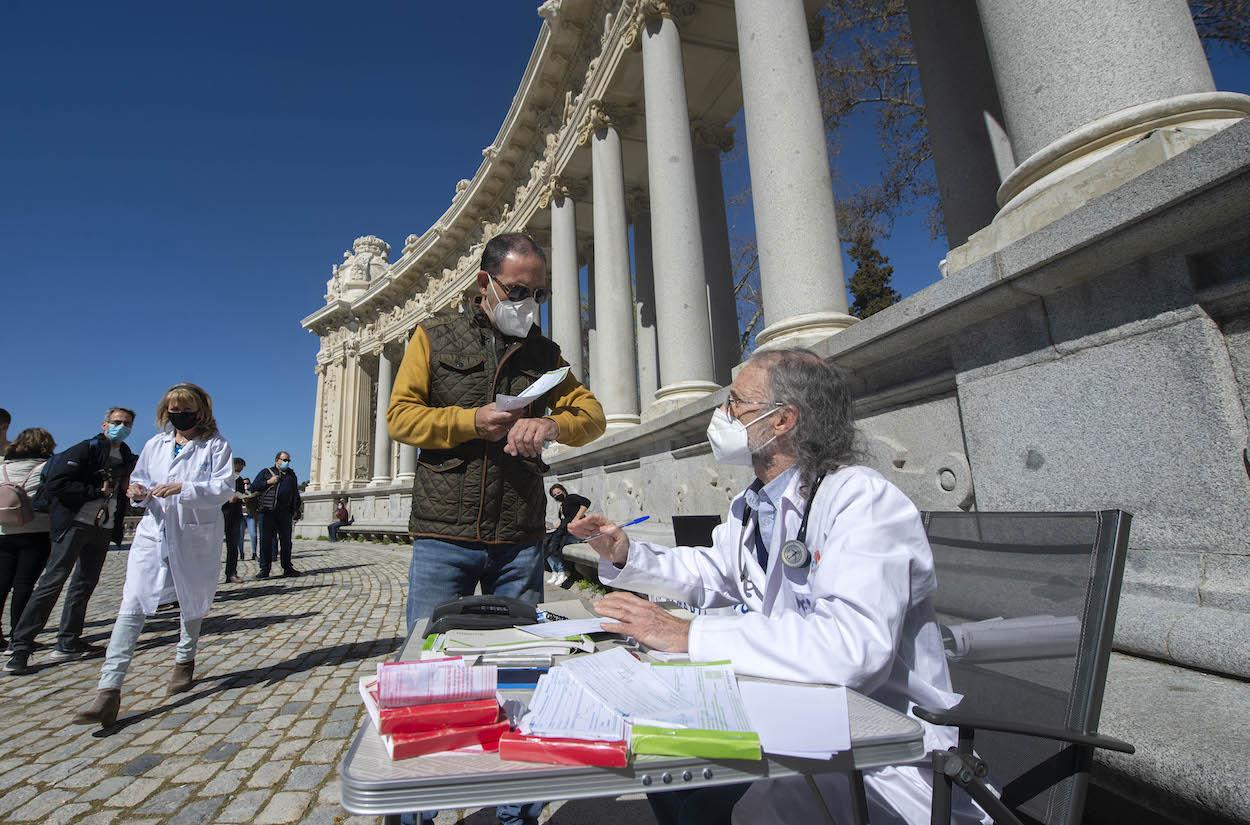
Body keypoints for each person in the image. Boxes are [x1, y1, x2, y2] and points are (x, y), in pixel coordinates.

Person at [569, 349, 988, 825]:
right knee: (654, 759)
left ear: (783, 420)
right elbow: (715, 572)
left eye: (736, 404)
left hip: (876, 753)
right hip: (788, 720)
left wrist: (688, 636)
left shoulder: (860, 500)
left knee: (693, 796)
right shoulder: (751, 507)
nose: (721, 417)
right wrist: (623, 553)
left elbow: (850, 651)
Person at [386, 232, 606, 825]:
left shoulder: (547, 353)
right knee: (429, 683)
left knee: (523, 681)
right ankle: (415, 811)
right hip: (444, 535)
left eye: (539, 292)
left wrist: (550, 428)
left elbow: (592, 416)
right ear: (485, 283)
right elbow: (400, 416)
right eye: (517, 290)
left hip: (519, 537)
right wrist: (469, 420)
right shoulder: (435, 336)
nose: (528, 302)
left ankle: (516, 814)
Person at [72, 383, 235, 727]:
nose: (179, 413)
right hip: (153, 531)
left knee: (191, 598)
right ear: (165, 411)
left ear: (200, 410)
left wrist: (185, 488)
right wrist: (137, 492)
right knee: (132, 603)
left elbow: (223, 489)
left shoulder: (215, 446)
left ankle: (184, 657)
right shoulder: (154, 444)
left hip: (193, 532)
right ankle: (109, 689)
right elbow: (140, 481)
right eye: (173, 407)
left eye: (186, 407)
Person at [4, 407, 138, 674]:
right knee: (52, 582)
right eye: (116, 422)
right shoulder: (85, 449)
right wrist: (93, 491)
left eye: (126, 424)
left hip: (102, 525)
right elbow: (56, 485)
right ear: (104, 424)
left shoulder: (123, 454)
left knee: (84, 584)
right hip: (74, 523)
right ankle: (21, 646)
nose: (120, 427)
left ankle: (68, 640)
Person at [0, 428, 56, 653]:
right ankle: (19, 635)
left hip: (3, 531)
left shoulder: (3, 466)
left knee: (1, 584)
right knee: (24, 585)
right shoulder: (46, 467)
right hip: (36, 530)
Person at [253, 451, 301, 579]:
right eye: (284, 460)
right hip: (267, 511)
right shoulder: (266, 472)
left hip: (285, 513)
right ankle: (264, 569)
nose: (286, 462)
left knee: (286, 542)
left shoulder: (291, 474)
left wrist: (296, 508)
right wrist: (268, 482)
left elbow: (295, 493)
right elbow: (254, 487)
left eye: (288, 460)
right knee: (266, 541)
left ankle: (287, 567)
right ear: (277, 460)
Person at [544, 483, 589, 586]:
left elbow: (586, 503)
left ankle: (563, 571)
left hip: (577, 534)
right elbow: (561, 522)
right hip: (566, 532)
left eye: (558, 492)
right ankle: (556, 571)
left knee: (555, 544)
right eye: (554, 495)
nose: (557, 495)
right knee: (546, 544)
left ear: (563, 491)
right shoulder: (562, 506)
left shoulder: (571, 498)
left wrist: (576, 518)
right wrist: (551, 526)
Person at [222, 457, 247, 583]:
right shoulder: (221, 477)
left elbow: (241, 493)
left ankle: (231, 573)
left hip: (235, 515)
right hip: (220, 514)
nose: (241, 469)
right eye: (240, 466)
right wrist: (227, 499)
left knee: (233, 546)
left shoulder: (240, 479)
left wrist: (241, 497)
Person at [241, 477, 259, 559]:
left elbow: (256, 504)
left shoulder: (253, 493)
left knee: (253, 534)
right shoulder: (238, 492)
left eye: (247, 483)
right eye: (244, 483)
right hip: (240, 516)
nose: (246, 485)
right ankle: (241, 553)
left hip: (250, 516)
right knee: (240, 536)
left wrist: (250, 499)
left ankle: (254, 553)